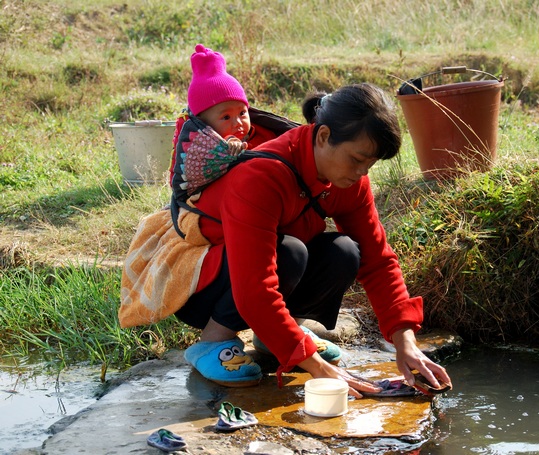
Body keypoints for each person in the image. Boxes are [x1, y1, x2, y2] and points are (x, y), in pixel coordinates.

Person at [176, 82, 452, 396]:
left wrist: (406, 343)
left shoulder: (349, 181)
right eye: (356, 159)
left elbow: (378, 260)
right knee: (291, 252)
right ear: (323, 136)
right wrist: (320, 368)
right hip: (200, 286)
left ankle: (276, 337)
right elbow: (255, 289)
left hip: (260, 271)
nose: (361, 173)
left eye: (369, 165)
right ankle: (213, 339)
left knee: (344, 251)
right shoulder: (260, 178)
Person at [168, 44, 278, 196]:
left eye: (242, 113)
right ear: (203, 124)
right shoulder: (199, 153)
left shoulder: (263, 132)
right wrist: (230, 145)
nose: (238, 123)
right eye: (226, 117)